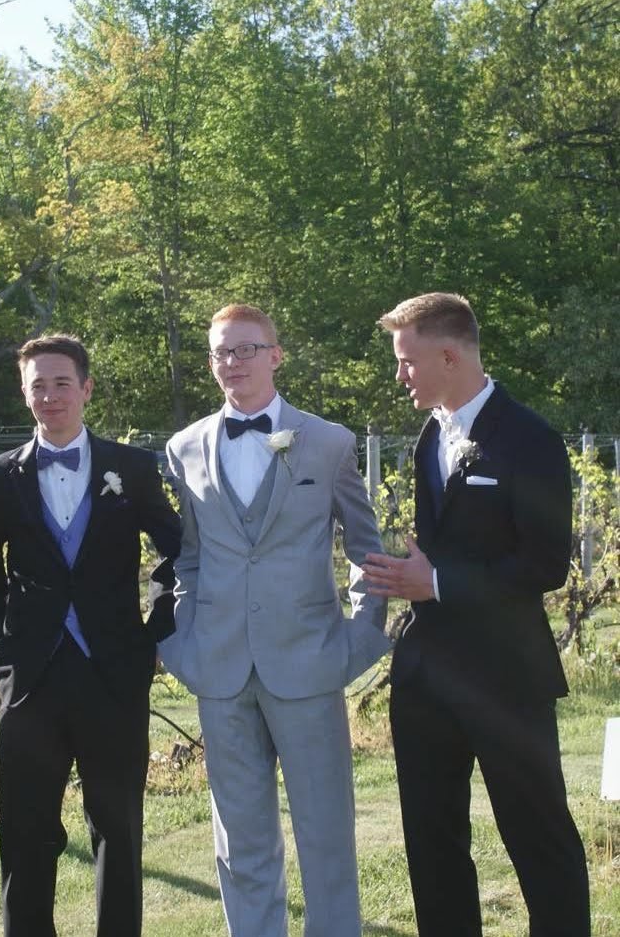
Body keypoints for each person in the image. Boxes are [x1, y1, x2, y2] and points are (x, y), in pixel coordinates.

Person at [157, 303, 390, 937]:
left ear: (276, 356)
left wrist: (363, 635)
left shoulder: (330, 442)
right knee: (240, 839)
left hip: (310, 662)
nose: (232, 362)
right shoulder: (184, 448)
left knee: (326, 832)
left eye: (246, 349)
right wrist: (183, 641)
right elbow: (187, 557)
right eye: (220, 352)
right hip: (218, 668)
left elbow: (366, 548)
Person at [364, 292, 590, 937]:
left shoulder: (531, 440)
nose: (400, 375)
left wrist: (435, 583)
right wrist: (408, 577)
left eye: (407, 361)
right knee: (431, 842)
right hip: (426, 679)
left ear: (449, 356)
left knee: (538, 837)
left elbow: (545, 564)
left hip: (506, 677)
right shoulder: (429, 436)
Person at [0, 334, 181, 937]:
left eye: (62, 383)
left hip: (114, 671)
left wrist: (157, 632)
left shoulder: (131, 468)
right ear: (24, 393)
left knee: (118, 828)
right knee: (26, 831)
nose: (50, 395)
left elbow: (177, 553)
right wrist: (1, 654)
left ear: (86, 389)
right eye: (38, 385)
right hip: (30, 678)